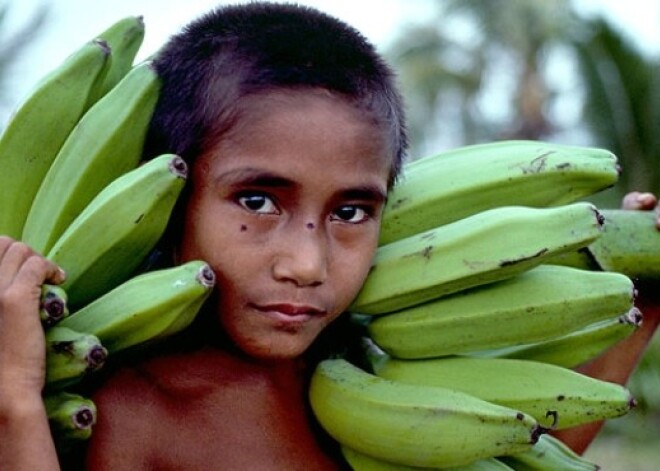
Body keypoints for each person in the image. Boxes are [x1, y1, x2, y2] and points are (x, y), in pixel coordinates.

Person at [0, 2, 657, 470]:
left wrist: (640, 303)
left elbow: (515, 451)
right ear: (167, 202)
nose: (307, 262)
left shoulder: (371, 369)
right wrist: (16, 404)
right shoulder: (133, 412)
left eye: (349, 212)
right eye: (257, 201)